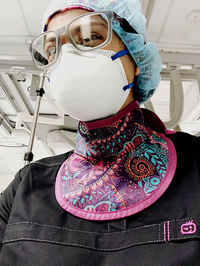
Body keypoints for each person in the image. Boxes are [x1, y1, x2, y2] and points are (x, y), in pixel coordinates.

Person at [0, 0, 200, 265]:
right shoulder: (27, 185)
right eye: (52, 51)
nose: (68, 59)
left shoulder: (196, 165)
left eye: (91, 37)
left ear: (136, 57)